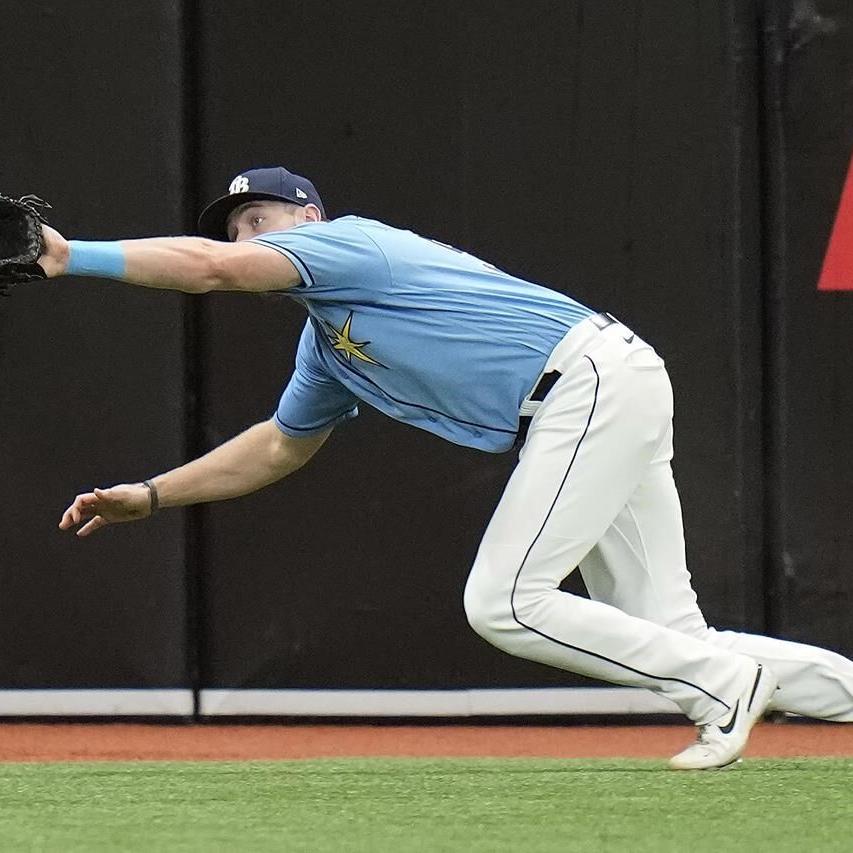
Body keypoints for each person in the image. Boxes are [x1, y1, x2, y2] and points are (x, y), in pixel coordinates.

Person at [50, 166, 853, 769]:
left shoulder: (346, 243)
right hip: (602, 384)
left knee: (504, 602)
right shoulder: (326, 345)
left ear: (307, 217)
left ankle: (722, 683)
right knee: (666, 635)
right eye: (234, 228)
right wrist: (152, 496)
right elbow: (276, 446)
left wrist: (69, 256)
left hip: (584, 382)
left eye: (258, 218)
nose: (244, 240)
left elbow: (214, 271)